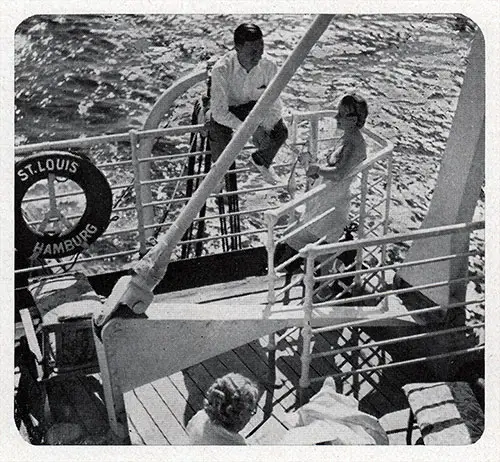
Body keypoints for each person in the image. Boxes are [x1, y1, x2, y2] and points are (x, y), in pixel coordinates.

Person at [275, 94, 369, 282]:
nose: (336, 118)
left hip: (331, 204)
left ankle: (321, 282)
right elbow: (335, 169)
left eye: (341, 115)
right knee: (312, 241)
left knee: (307, 240)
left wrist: (318, 169)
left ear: (353, 119)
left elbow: (339, 173)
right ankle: (322, 276)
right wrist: (314, 167)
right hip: (326, 200)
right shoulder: (348, 138)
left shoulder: (353, 142)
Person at [208, 23, 288, 185]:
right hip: (228, 109)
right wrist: (252, 130)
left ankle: (261, 160)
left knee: (281, 132)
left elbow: (274, 106)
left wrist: (265, 127)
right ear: (237, 48)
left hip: (252, 107)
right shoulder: (221, 69)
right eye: (253, 51)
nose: (258, 56)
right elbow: (219, 112)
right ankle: (217, 177)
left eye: (261, 49)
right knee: (219, 133)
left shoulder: (269, 66)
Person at [186, 372, 259, 445]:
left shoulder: (200, 417)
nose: (251, 416)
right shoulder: (236, 445)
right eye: (251, 411)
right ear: (239, 416)